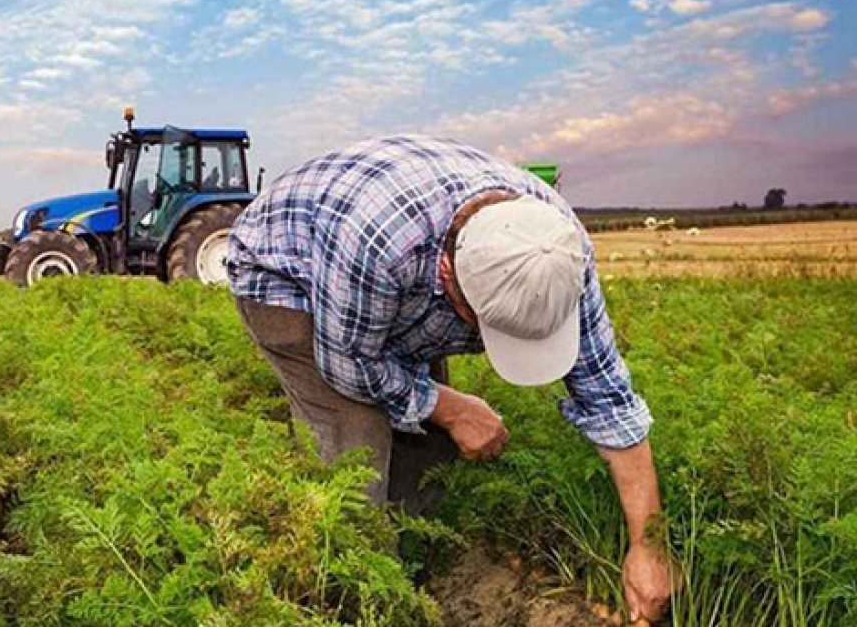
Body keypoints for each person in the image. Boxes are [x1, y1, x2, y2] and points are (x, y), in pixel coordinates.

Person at [226, 135, 672, 623]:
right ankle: (355, 594)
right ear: (448, 273)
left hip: (391, 278)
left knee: (427, 442)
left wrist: (648, 546)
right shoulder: (379, 244)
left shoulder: (557, 252)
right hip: (290, 275)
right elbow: (349, 365)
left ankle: (420, 570)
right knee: (356, 449)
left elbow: (609, 400)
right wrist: (454, 407)